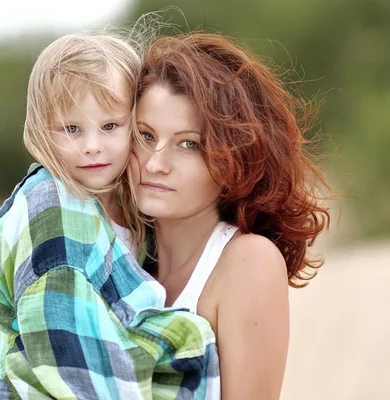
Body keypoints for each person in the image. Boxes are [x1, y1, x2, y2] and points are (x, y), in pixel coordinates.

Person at [0, 30, 220, 399]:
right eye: (71, 129)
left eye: (110, 126)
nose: (92, 146)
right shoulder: (52, 206)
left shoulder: (130, 201)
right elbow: (58, 326)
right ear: (43, 129)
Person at [131, 32, 331, 399]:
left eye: (188, 144)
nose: (155, 163)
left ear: (233, 158)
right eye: (145, 136)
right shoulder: (117, 257)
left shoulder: (247, 261)